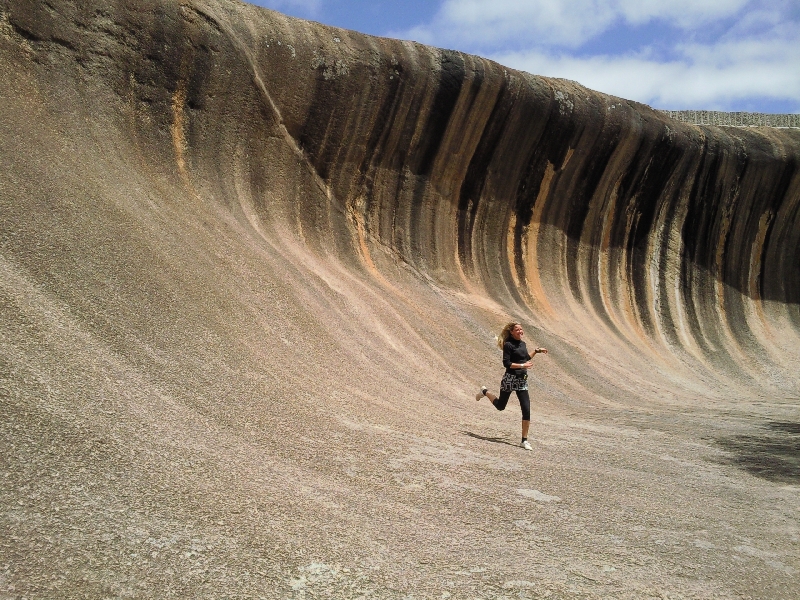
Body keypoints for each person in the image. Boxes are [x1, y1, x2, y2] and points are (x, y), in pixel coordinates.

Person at [476, 322, 548, 450]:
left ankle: (524, 440)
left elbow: (525, 357)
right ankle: (485, 391)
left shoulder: (523, 344)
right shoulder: (508, 345)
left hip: (522, 381)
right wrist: (522, 366)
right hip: (510, 379)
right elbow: (507, 363)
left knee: (526, 409)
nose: (521, 331)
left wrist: (536, 351)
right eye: (518, 329)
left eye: (521, 329)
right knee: (500, 406)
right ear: (512, 332)